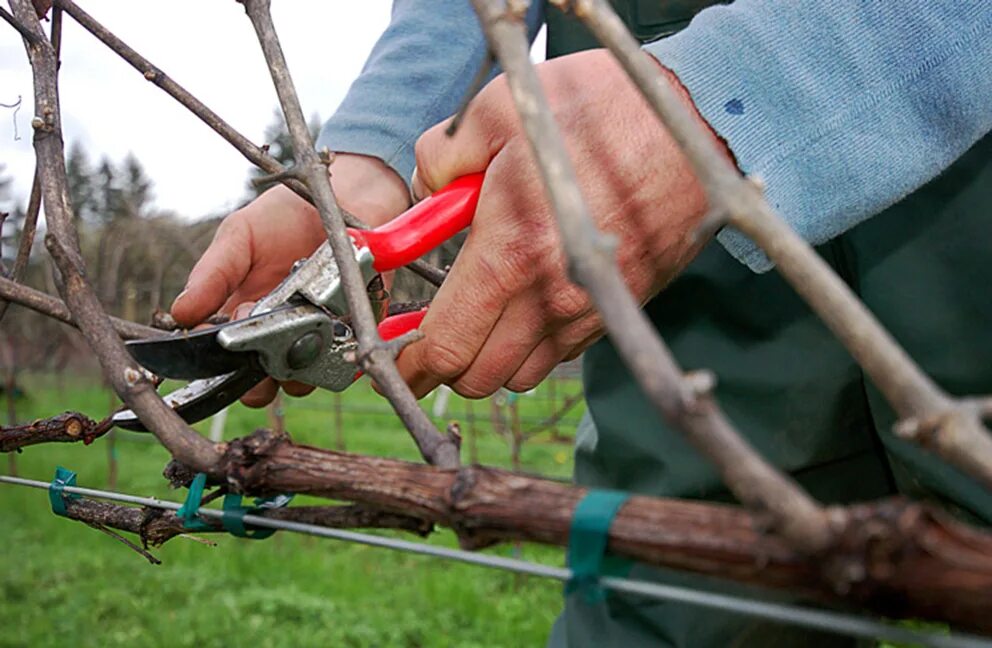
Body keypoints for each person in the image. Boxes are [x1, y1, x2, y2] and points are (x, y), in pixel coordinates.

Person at [171, 1, 992, 645]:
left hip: (964, 146)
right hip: (645, 221)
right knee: (665, 604)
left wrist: (736, 93)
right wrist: (372, 150)